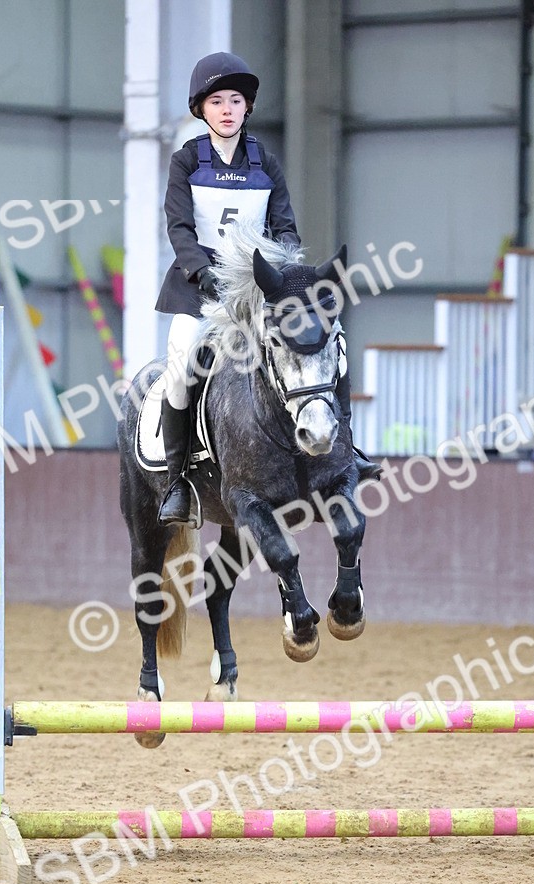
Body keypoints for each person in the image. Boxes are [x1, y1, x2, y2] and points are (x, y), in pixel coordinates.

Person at [154, 51, 379, 527]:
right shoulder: (186, 161)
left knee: (330, 346)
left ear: (247, 108)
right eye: (218, 101)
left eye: (236, 100)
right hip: (202, 290)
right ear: (202, 109)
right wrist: (201, 272)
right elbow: (178, 228)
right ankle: (177, 481)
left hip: (258, 292)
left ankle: (346, 451)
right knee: (181, 361)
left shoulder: (266, 164)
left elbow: (286, 229)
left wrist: (286, 274)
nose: (228, 109)